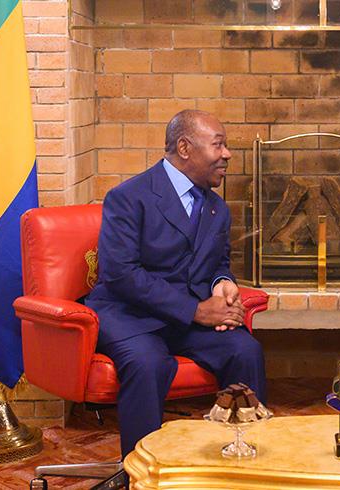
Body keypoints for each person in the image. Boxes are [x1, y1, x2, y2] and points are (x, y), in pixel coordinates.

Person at [86, 110, 266, 457]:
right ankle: (142, 471)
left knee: (245, 351)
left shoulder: (217, 208)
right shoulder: (128, 197)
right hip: (130, 315)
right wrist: (197, 310)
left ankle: (242, 461)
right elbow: (121, 273)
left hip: (186, 320)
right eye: (218, 145)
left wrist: (222, 283)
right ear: (185, 148)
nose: (227, 154)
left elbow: (218, 262)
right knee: (149, 363)